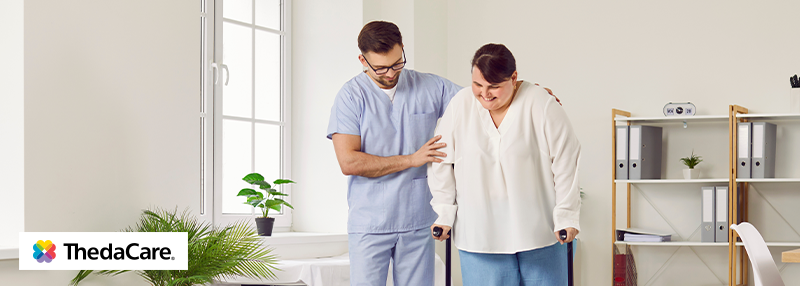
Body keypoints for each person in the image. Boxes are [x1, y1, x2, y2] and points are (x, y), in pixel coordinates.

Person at [429, 43, 581, 286]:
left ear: (514, 78)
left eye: (494, 87)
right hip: (479, 234)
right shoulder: (460, 105)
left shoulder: (540, 103)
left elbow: (566, 159)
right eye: (477, 85)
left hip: (538, 231)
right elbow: (441, 161)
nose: (485, 94)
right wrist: (444, 212)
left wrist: (566, 216)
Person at [327, 21, 462, 286]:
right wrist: (412, 159)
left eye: (397, 63)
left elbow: (479, 100)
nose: (390, 73)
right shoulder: (350, 97)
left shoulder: (429, 86)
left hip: (416, 218)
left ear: (402, 50)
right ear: (362, 60)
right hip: (370, 222)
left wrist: (523, 92)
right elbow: (349, 161)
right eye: (380, 67)